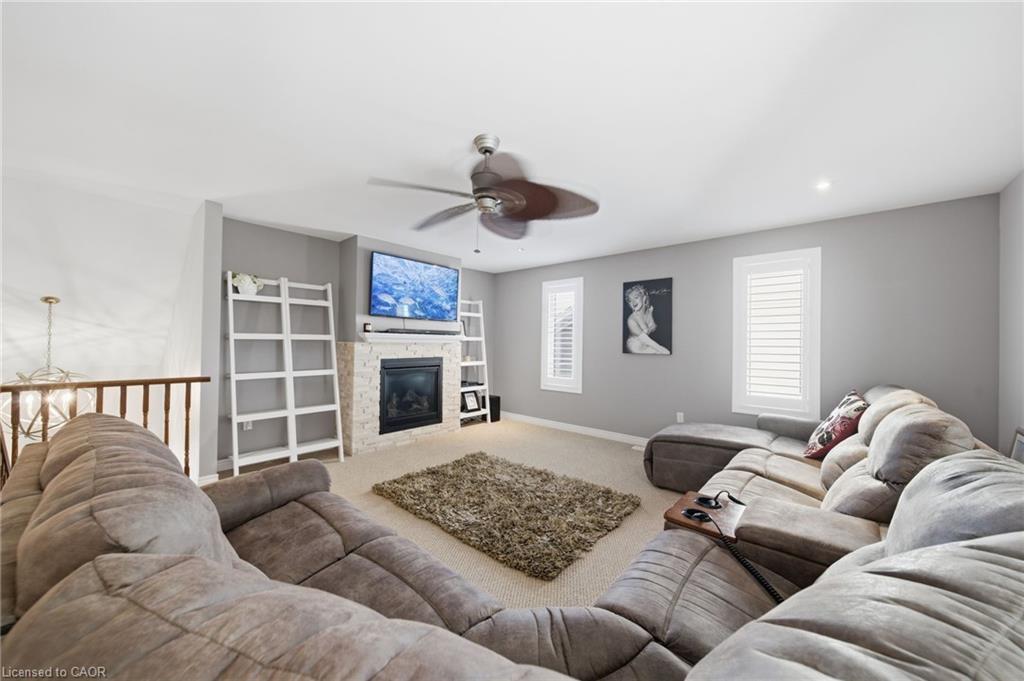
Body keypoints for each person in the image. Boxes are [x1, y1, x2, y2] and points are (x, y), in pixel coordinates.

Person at [624, 284, 670, 354]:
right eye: (630, 301)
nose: (633, 302)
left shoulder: (650, 310)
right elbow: (646, 339)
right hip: (635, 346)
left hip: (646, 344)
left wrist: (650, 313)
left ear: (644, 298)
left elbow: (653, 327)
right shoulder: (631, 320)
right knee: (662, 352)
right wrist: (664, 350)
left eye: (636, 297)